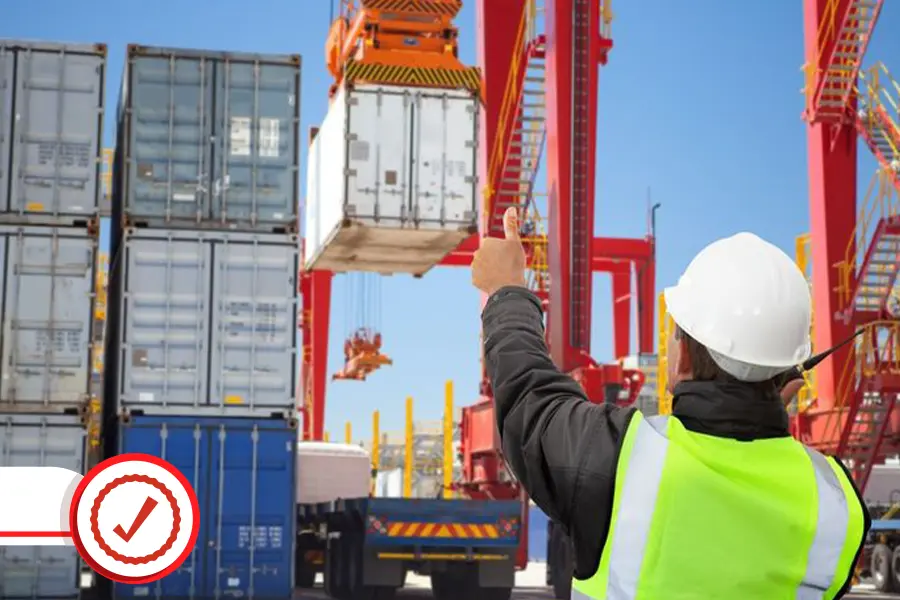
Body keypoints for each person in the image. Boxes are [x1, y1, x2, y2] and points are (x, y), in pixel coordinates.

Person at [471, 208, 870, 599]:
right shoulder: (836, 502)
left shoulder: (617, 461)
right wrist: (758, 417)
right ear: (791, 376)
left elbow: (527, 395)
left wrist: (507, 291)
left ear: (682, 360)